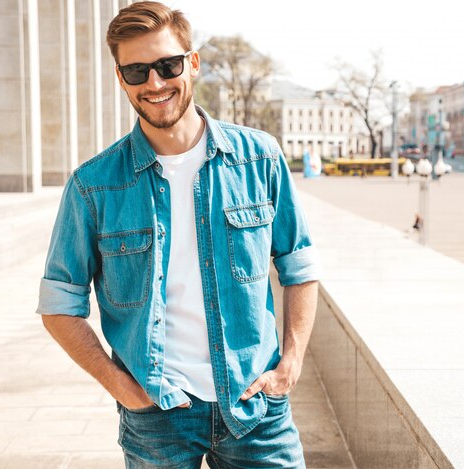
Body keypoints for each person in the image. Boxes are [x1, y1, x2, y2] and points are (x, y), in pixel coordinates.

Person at [36, 3, 319, 467]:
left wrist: (291, 361)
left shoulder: (259, 159)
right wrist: (120, 386)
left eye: (167, 65)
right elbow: (58, 304)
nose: (154, 83)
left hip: (257, 408)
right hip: (156, 417)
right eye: (136, 70)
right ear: (120, 76)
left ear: (193, 62)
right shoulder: (94, 185)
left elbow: (299, 263)